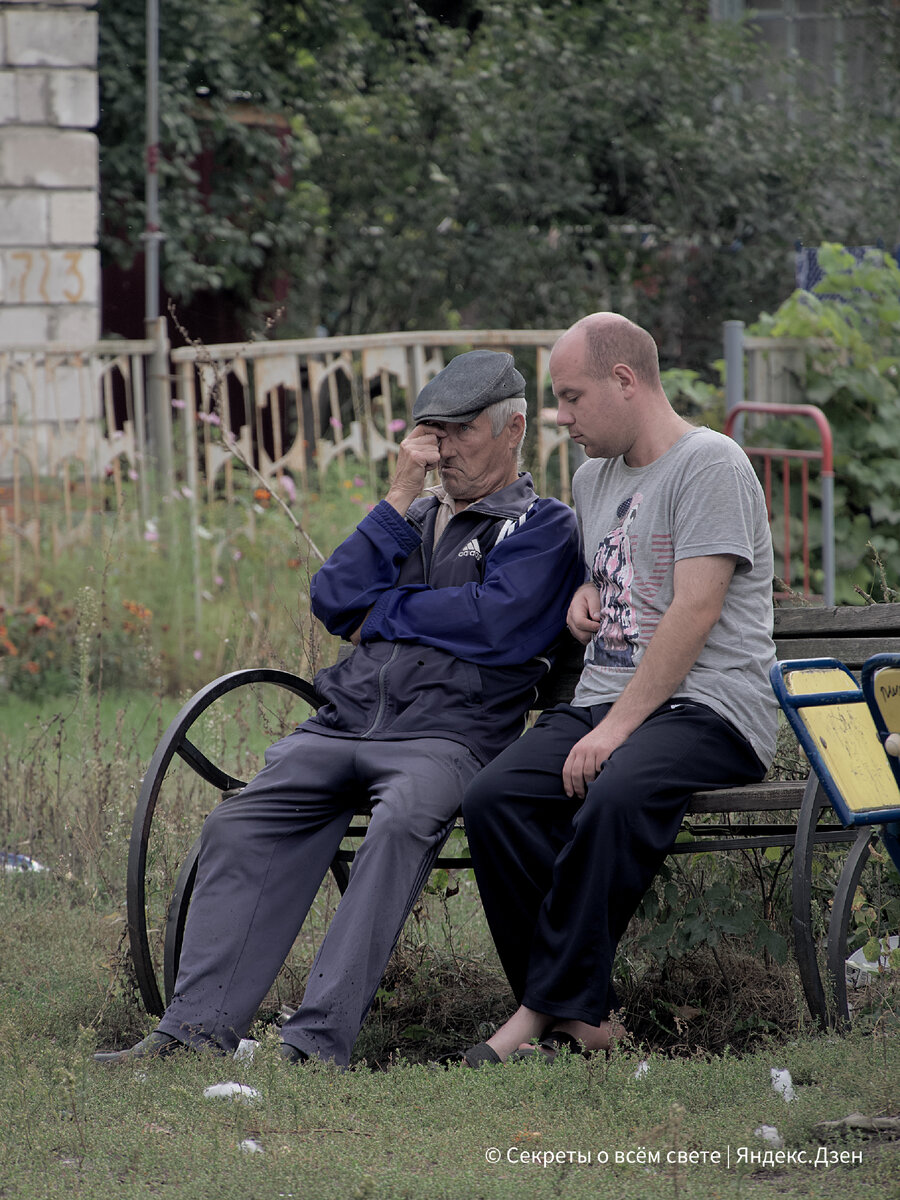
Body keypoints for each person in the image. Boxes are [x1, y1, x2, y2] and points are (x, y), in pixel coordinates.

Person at [94, 349, 582, 1068]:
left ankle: (315, 1043)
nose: (440, 451)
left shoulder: (543, 525)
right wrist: (394, 496)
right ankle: (193, 1032)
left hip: (446, 738)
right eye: (430, 433)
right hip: (343, 722)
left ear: (512, 430)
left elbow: (497, 623)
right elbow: (332, 598)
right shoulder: (409, 518)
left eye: (458, 433)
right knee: (239, 822)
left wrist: (383, 612)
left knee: (398, 825)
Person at [459, 314, 779, 1067]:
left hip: (710, 708)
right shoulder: (593, 476)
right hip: (607, 697)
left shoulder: (712, 466)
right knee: (493, 798)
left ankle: (536, 1015)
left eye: (571, 398)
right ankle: (586, 1017)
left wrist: (613, 730)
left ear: (625, 381)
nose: (560, 418)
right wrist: (583, 596)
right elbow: (623, 577)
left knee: (612, 793)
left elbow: (696, 610)